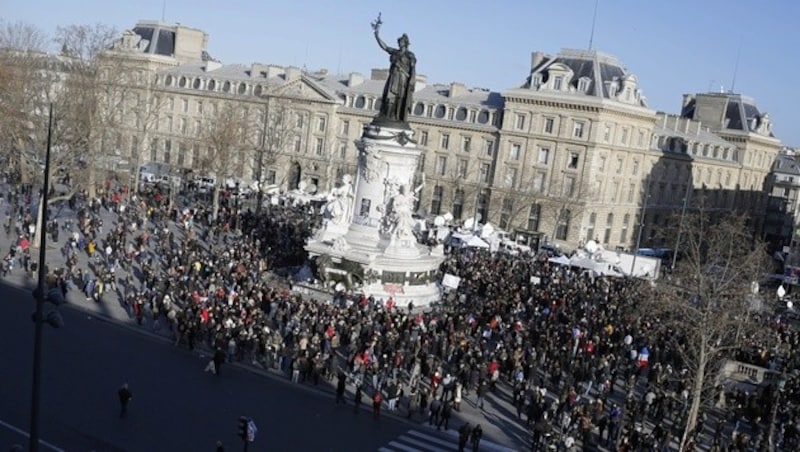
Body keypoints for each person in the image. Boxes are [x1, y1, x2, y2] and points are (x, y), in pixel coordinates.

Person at [371, 14, 416, 124]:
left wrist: (412, 81)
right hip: (394, 77)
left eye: (400, 42)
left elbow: (413, 69)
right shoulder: (395, 52)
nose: (399, 44)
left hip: (403, 78)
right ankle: (386, 115)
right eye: (398, 42)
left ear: (405, 43)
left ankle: (397, 117)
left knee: (400, 97)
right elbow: (385, 47)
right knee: (389, 95)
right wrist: (377, 35)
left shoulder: (410, 55)